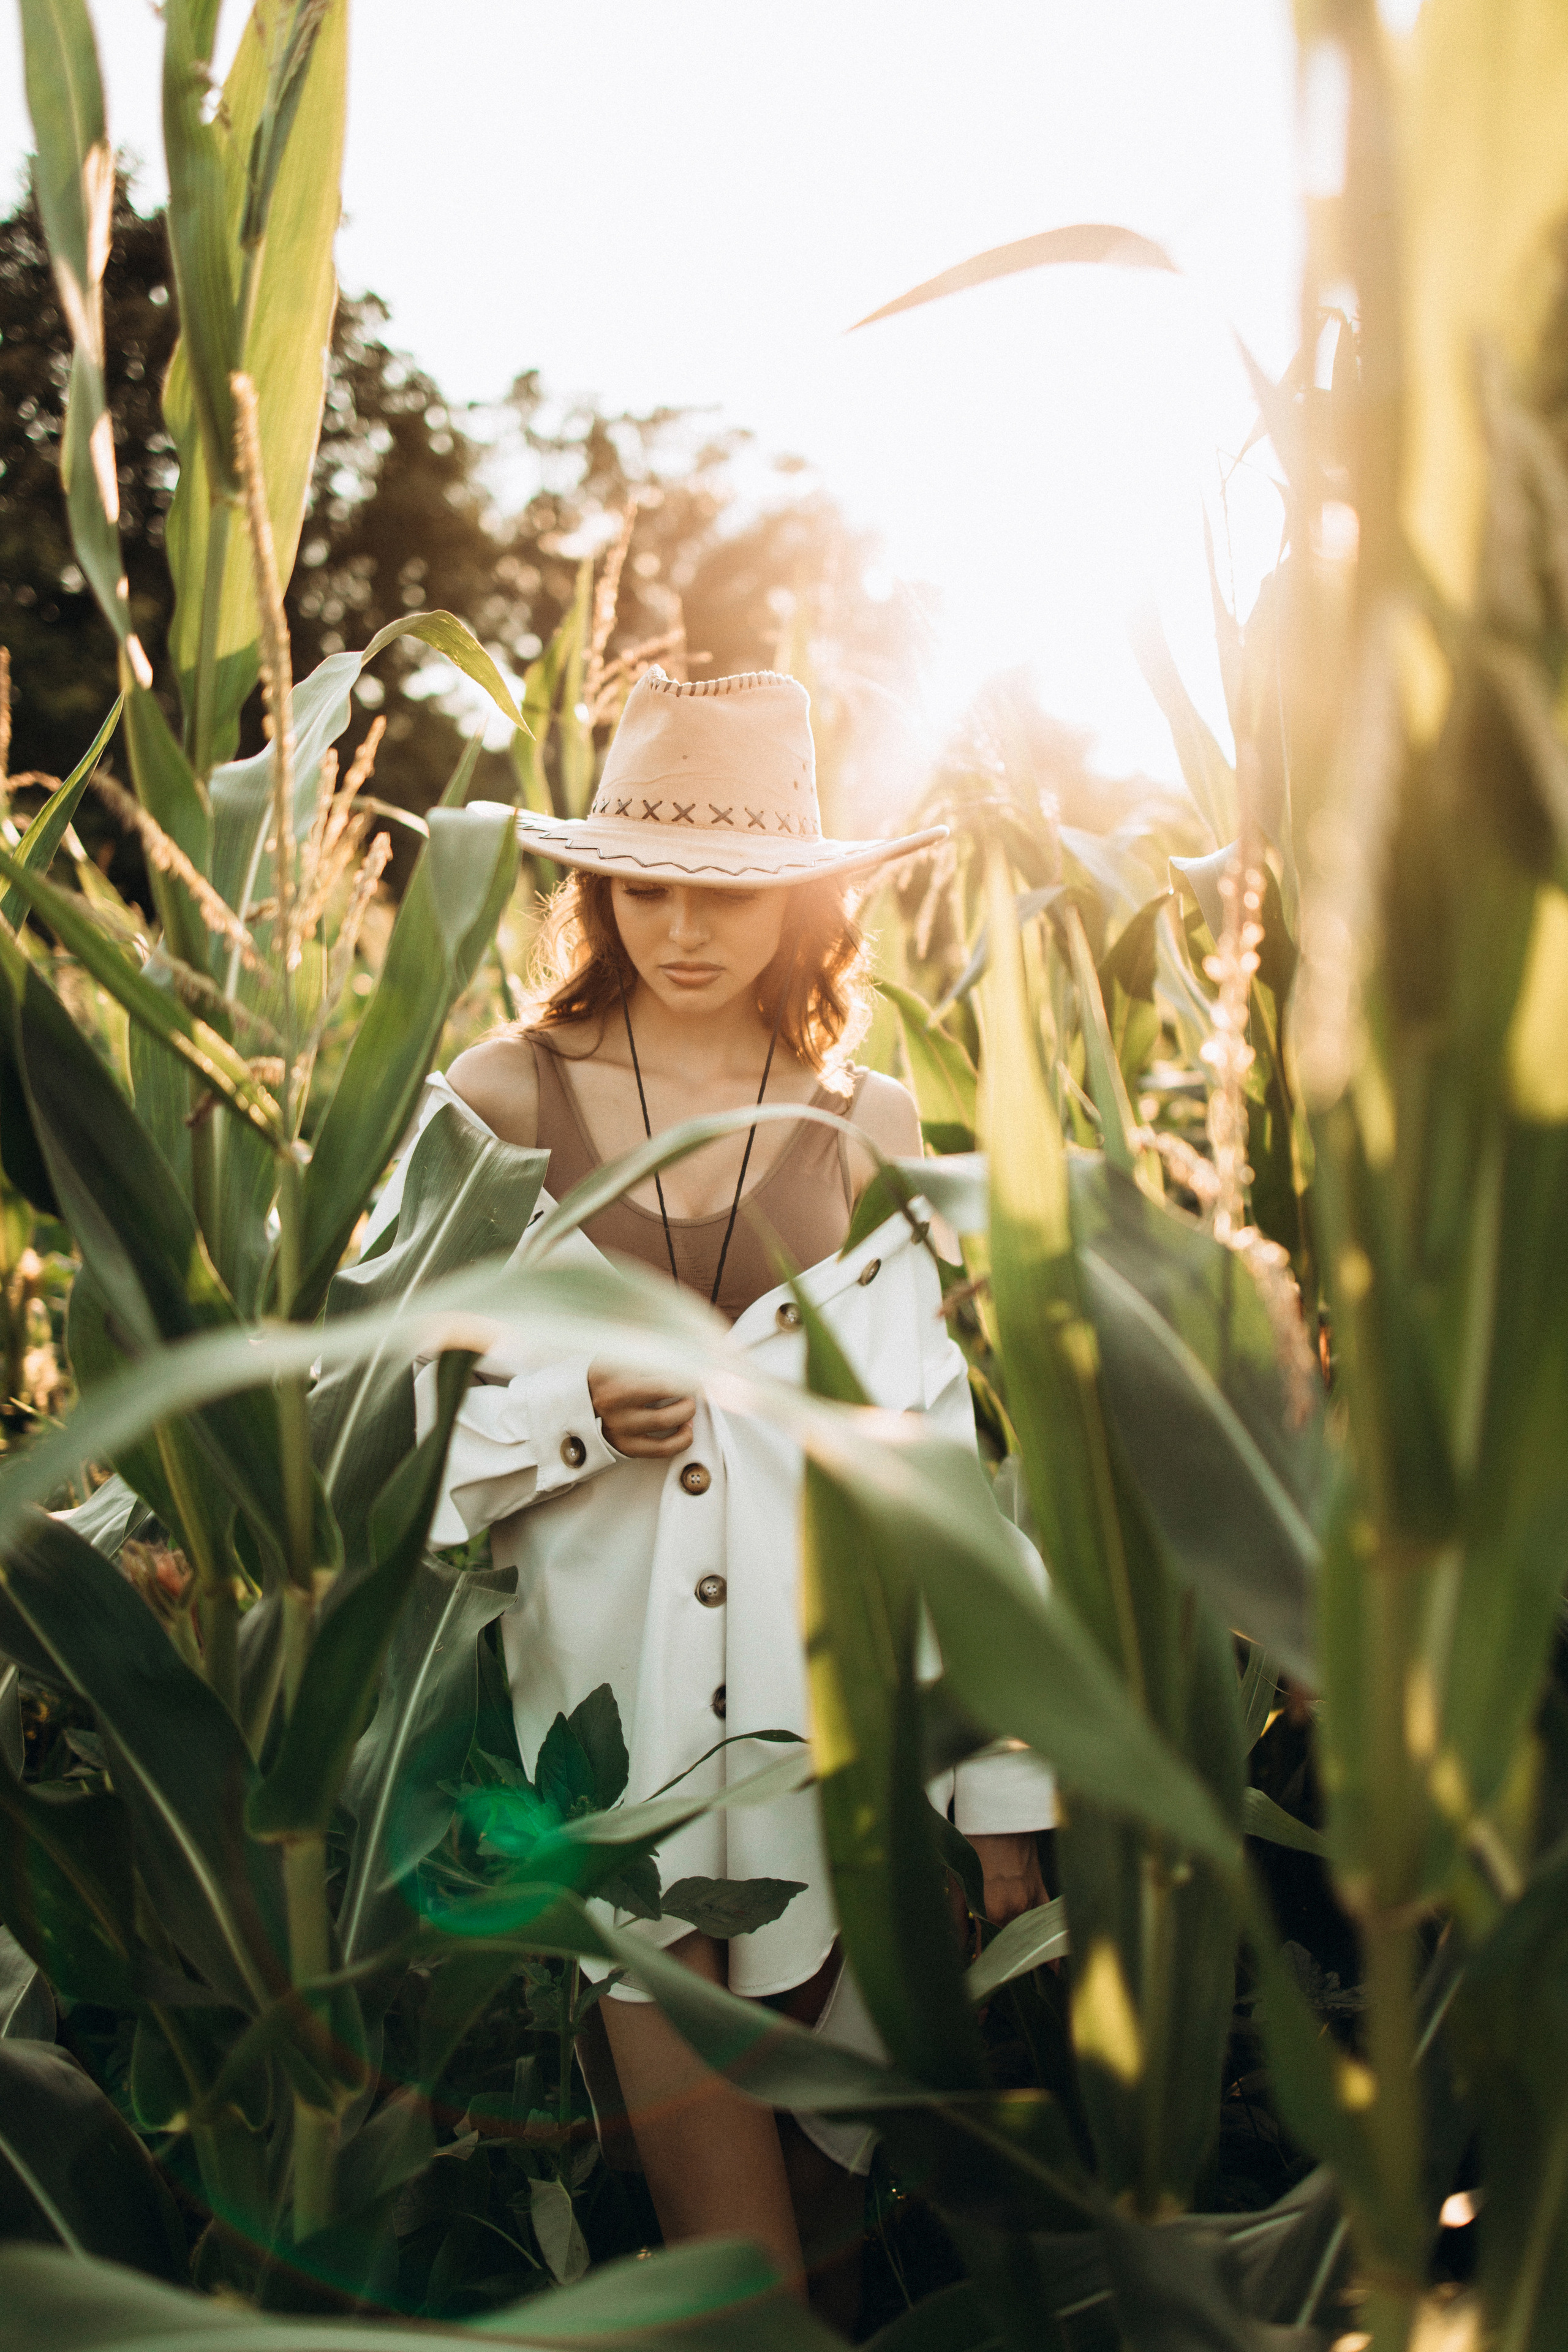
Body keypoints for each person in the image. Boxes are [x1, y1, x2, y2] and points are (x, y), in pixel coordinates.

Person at [404, 669, 1055, 2306]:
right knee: (747, 2281)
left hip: (830, 1760)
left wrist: (997, 1795)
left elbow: (934, 1470)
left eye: (731, 893)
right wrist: (565, 1414)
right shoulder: (496, 1103)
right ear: (597, 893)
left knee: (826, 2258)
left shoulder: (869, 1124)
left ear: (806, 902)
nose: (684, 929)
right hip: (601, 1779)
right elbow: (372, 1429)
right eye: (646, 887)